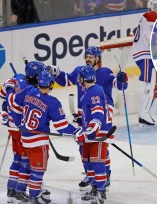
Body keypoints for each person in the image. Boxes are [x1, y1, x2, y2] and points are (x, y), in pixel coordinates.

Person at [52, 46, 127, 190]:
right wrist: (57, 73)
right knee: (83, 146)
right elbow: (66, 80)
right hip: (83, 115)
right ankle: (90, 173)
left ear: (98, 58)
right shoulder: (81, 71)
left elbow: (119, 86)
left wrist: (122, 79)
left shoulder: (104, 72)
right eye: (86, 56)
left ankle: (106, 174)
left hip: (102, 116)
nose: (88, 59)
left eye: (91, 57)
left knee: (100, 147)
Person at [8, 70, 78, 204]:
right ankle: (34, 198)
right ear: (51, 84)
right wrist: (76, 132)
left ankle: (36, 194)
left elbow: (15, 104)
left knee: (31, 168)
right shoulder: (53, 102)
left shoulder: (29, 90)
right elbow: (62, 126)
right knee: (37, 171)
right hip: (38, 143)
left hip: (25, 139)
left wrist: (19, 123)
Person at [0, 61, 47, 203]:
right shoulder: (31, 90)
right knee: (26, 160)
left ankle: (11, 189)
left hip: (12, 126)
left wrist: (8, 87)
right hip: (22, 129)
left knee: (17, 158)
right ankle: (21, 191)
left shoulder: (17, 78)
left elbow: (2, 95)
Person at [73, 65, 111, 204]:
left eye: (80, 78)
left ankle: (101, 192)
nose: (79, 80)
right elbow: (90, 114)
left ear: (83, 79)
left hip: (97, 134)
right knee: (88, 162)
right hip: (89, 134)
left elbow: (98, 114)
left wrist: (89, 130)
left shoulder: (94, 91)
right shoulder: (89, 91)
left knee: (97, 162)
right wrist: (81, 122)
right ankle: (95, 187)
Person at [132, 7, 157, 126]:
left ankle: (153, 110)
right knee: (150, 84)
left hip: (148, 53)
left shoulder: (150, 16)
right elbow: (150, 37)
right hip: (145, 54)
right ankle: (143, 114)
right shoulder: (151, 17)